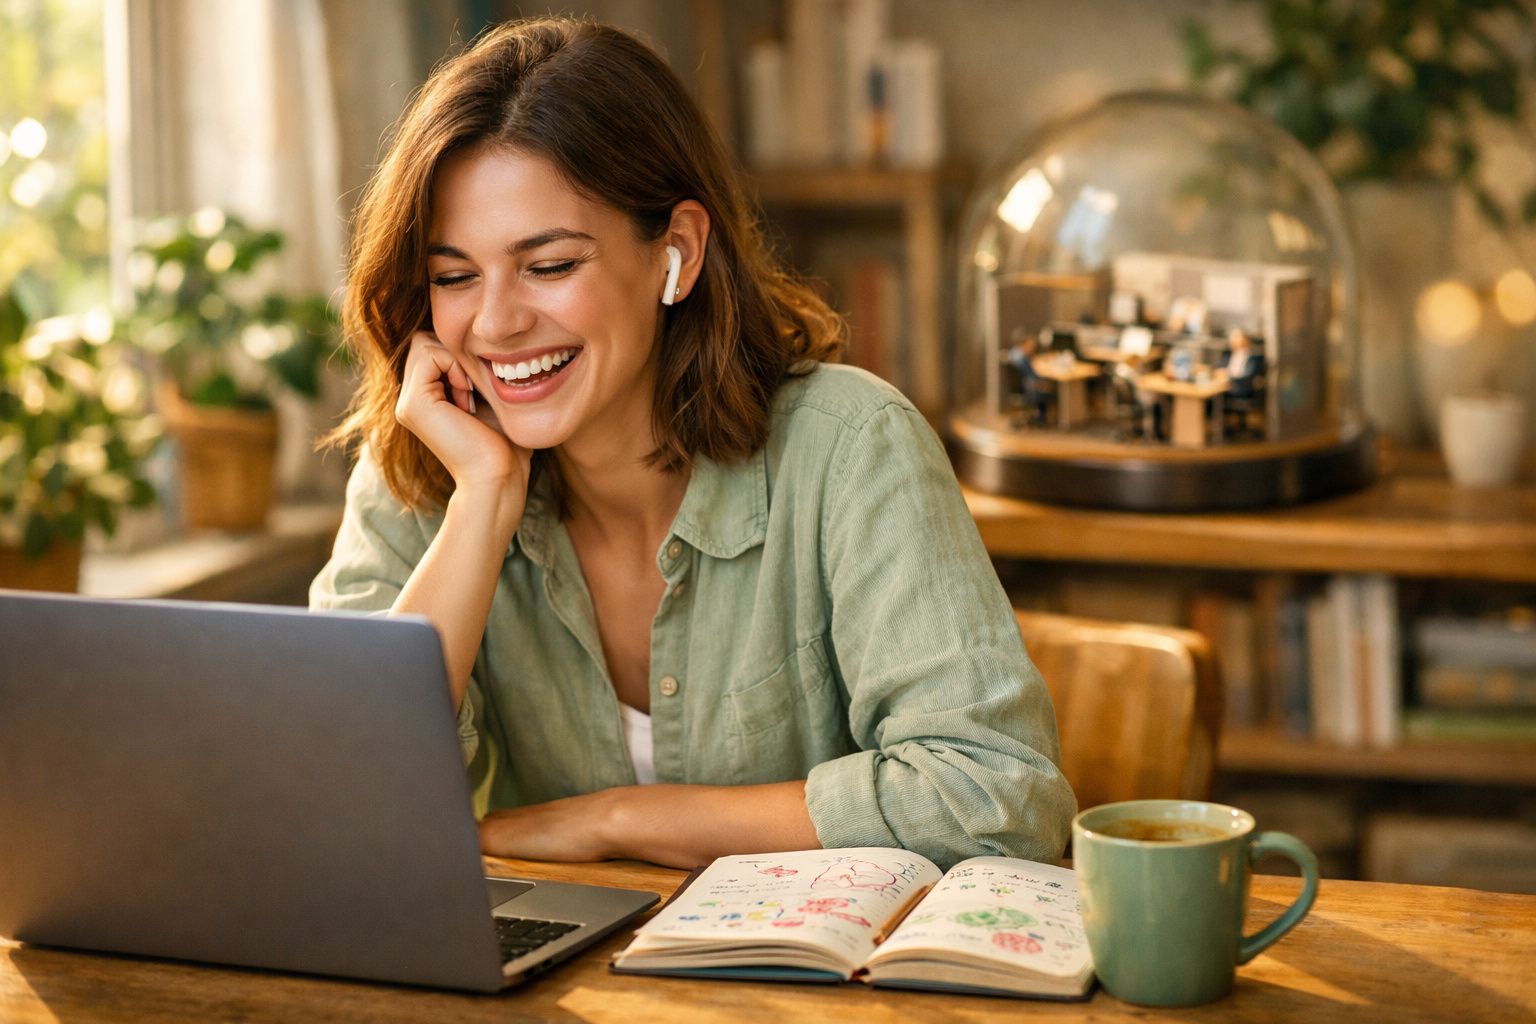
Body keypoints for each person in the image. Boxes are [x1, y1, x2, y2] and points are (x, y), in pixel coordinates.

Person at [311, 17, 1074, 871]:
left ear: (675, 251)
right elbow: (340, 798)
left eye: (551, 265)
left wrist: (616, 822)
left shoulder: (852, 448)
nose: (495, 324)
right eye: (454, 277)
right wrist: (485, 501)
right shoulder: (427, 461)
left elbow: (996, 800)